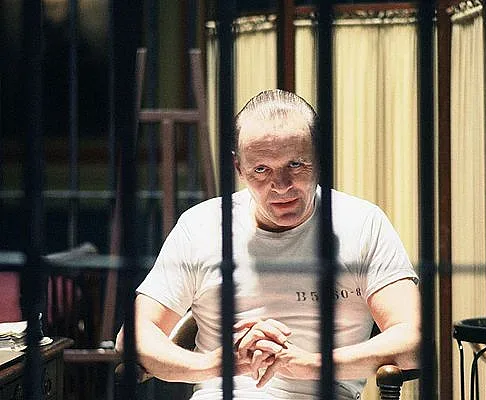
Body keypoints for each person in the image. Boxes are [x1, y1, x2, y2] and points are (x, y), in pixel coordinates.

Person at [116, 89, 421, 399]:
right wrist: (215, 365)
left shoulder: (362, 223)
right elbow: (133, 337)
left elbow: (415, 340)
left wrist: (310, 365)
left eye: (296, 165)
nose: (281, 186)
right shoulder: (202, 226)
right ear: (238, 168)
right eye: (261, 170)